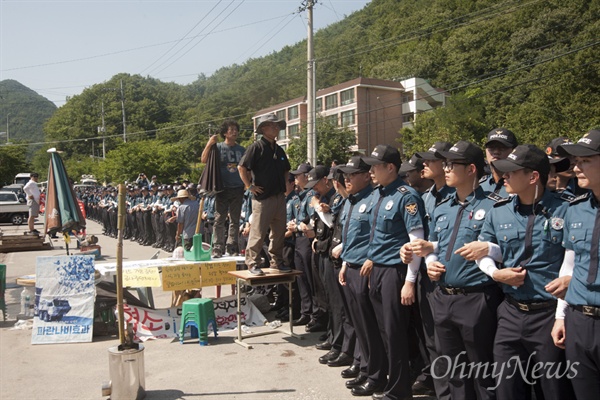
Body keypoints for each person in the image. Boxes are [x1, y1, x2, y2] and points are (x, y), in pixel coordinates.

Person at [406, 140, 502, 400]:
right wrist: (430, 262)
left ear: (471, 169)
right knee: (455, 373)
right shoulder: (442, 206)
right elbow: (434, 245)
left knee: (483, 372)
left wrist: (489, 249)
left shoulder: (495, 205)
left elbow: (506, 248)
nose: (446, 169)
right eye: (445, 164)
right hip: (443, 296)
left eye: (451, 164)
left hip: (477, 298)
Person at [476, 144, 574, 399]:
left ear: (533, 177)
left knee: (553, 390)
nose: (504, 176)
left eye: (511, 171)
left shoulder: (567, 209)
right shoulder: (498, 211)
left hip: (549, 315)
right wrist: (496, 274)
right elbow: (483, 252)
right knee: (507, 389)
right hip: (510, 313)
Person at [355, 144, 426, 399]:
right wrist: (372, 259)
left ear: (391, 167)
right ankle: (391, 383)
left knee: (395, 333)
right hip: (378, 270)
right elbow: (381, 237)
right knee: (385, 331)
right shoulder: (380, 194)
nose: (371, 170)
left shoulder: (407, 196)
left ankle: (399, 391)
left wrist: (409, 281)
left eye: (375, 166)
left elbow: (416, 241)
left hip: (395, 273)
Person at [551, 129, 600, 399]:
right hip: (579, 321)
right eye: (576, 161)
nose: (576, 167)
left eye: (586, 160)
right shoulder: (576, 207)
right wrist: (561, 317)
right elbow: (569, 266)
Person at [337, 156, 387, 393]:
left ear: (367, 176)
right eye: (345, 174)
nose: (346, 178)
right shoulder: (350, 201)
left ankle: (377, 376)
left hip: (367, 270)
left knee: (371, 327)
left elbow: (377, 236)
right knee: (359, 325)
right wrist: (346, 262)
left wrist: (370, 259)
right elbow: (351, 238)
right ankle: (365, 367)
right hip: (351, 267)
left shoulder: (376, 198)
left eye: (352, 174)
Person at [238, 113, 292, 275]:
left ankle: (277, 261)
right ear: (263, 129)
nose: (276, 128)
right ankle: (252, 262)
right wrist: (249, 186)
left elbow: (287, 169)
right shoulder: (256, 147)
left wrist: (284, 186)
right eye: (272, 125)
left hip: (278, 196)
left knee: (279, 232)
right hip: (262, 198)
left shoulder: (279, 149)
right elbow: (242, 167)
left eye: (277, 126)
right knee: (258, 232)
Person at [201, 119, 246, 257]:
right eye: (231, 129)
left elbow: (247, 168)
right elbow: (203, 159)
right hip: (222, 187)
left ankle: (232, 247)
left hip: (238, 187)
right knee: (219, 218)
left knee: (235, 219)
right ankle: (217, 247)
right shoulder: (218, 147)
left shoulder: (242, 150)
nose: (234, 132)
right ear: (225, 133)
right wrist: (209, 143)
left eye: (236, 129)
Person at [480, 128, 518, 200]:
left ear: (514, 151)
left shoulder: (520, 187)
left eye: (502, 147)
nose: (496, 152)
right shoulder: (480, 185)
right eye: (491, 147)